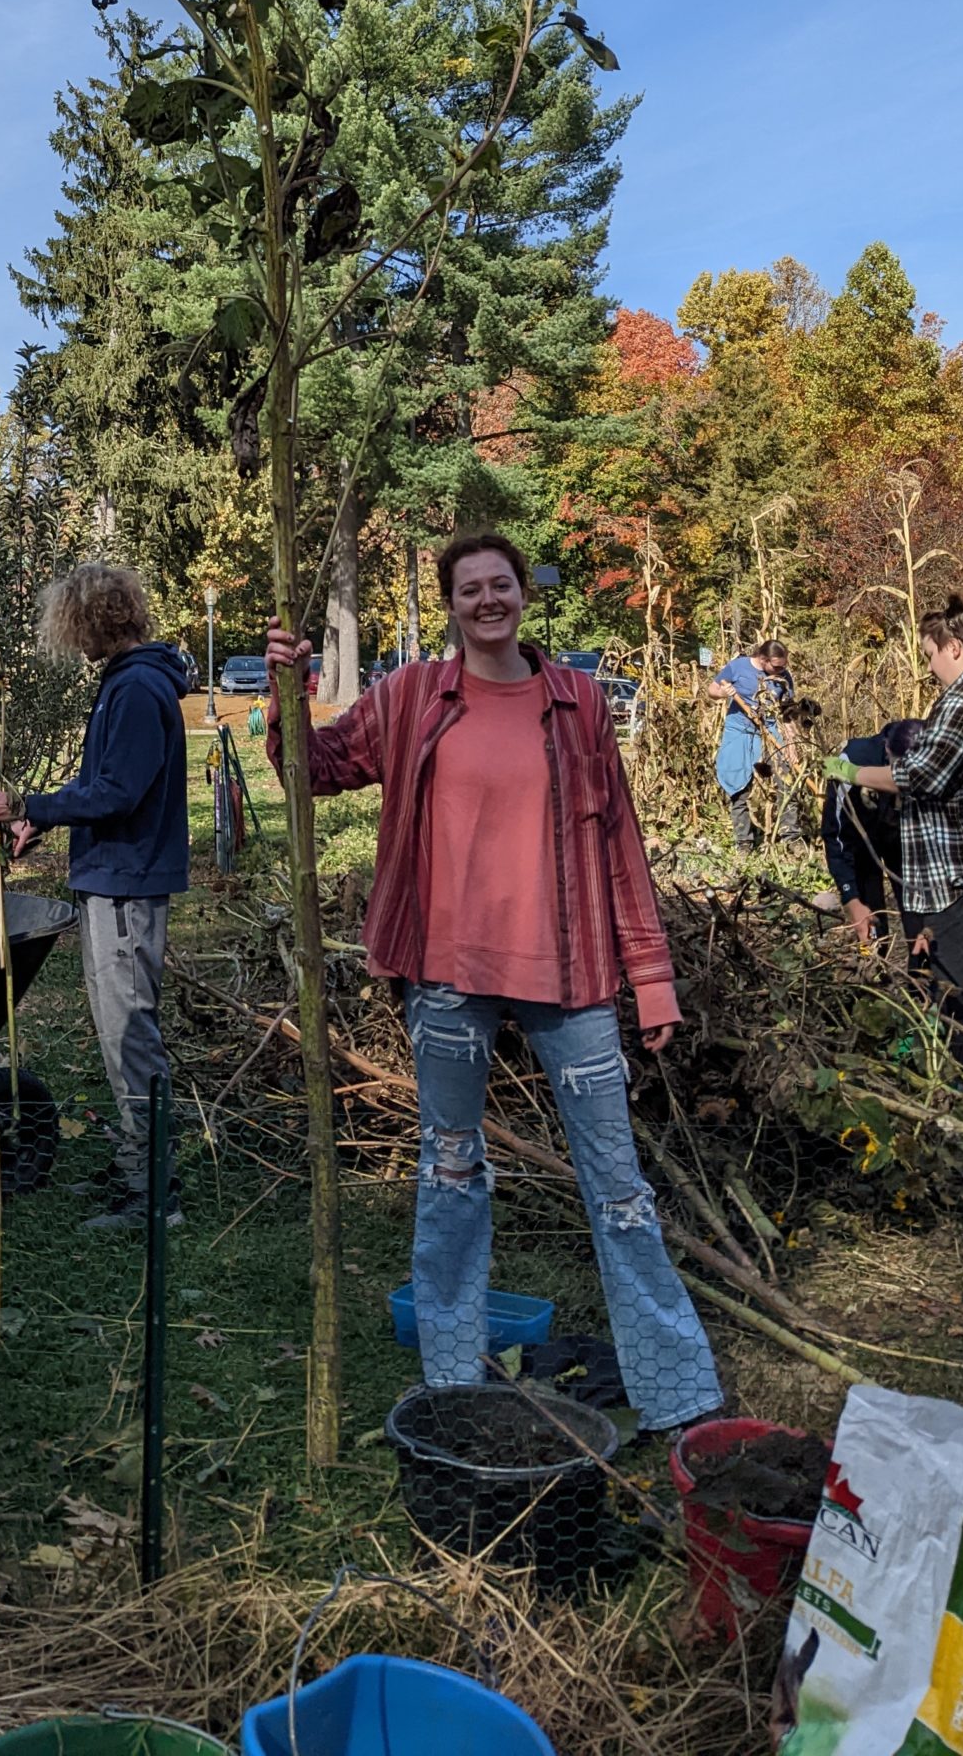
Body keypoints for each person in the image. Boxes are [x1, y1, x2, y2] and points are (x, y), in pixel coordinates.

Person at [263, 532, 723, 1432]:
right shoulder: (409, 699)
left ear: (521, 595)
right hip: (446, 978)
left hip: (572, 973)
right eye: (469, 589)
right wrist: (293, 692)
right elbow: (311, 771)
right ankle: (453, 1383)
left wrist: (652, 978)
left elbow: (620, 846)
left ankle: (678, 1394)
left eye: (500, 585)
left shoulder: (579, 704)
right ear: (451, 604)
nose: (487, 600)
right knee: (450, 1173)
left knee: (620, 1188)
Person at [0, 565, 189, 1230]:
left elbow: (118, 793)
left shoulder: (135, 689)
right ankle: (135, 1163)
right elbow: (105, 780)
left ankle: (154, 1193)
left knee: (130, 1034)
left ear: (93, 619)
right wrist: (43, 817)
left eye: (71, 624)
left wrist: (25, 801)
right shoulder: (128, 684)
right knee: (117, 1030)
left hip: (127, 883)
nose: (68, 640)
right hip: (113, 876)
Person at [824, 596, 963, 1113]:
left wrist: (848, 773)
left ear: (953, 647)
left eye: (929, 654)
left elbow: (922, 776)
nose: (927, 667)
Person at [818, 718, 920, 942]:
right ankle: (873, 964)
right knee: (870, 917)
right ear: (887, 749)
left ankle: (921, 969)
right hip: (863, 842)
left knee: (919, 916)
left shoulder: (938, 757)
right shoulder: (854, 760)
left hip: (906, 842)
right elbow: (835, 835)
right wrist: (850, 897)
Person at [712, 640, 796, 851]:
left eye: (783, 666)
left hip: (770, 729)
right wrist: (726, 693)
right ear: (763, 659)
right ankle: (744, 843)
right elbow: (712, 690)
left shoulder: (783, 677)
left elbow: (787, 714)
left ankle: (792, 839)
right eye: (776, 666)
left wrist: (791, 745)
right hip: (739, 730)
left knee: (786, 781)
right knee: (738, 785)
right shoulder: (738, 666)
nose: (781, 670)